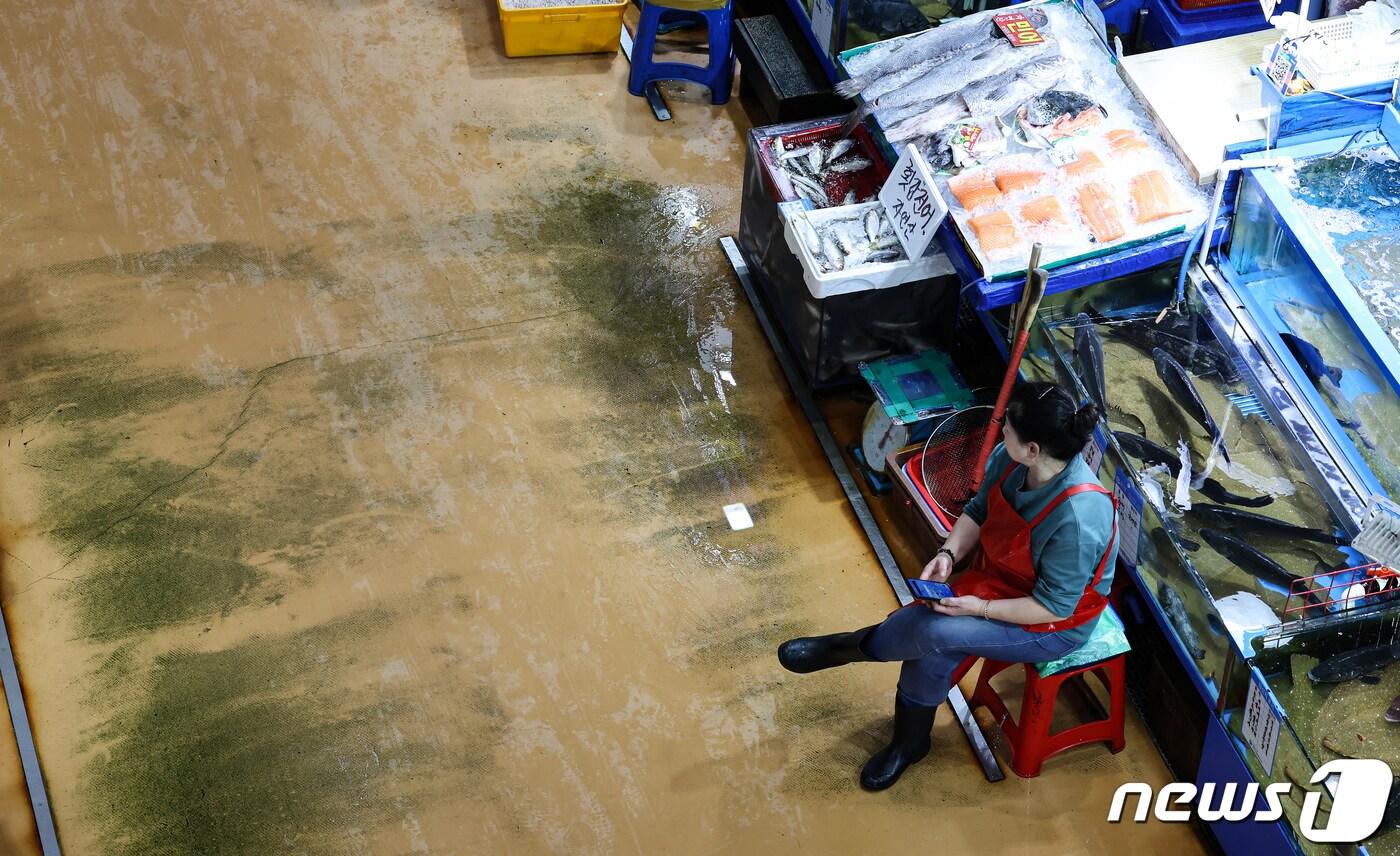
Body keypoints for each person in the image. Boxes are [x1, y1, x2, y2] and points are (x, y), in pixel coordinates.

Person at [777, 381, 1118, 791]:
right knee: (937, 640)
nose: (1000, 426)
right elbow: (977, 511)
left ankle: (851, 649)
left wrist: (976, 608)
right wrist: (948, 555)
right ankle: (909, 742)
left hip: (1050, 624)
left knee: (937, 631)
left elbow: (1053, 607)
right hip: (999, 582)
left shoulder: (1079, 518)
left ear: (1033, 450)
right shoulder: (1011, 460)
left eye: (1007, 425)